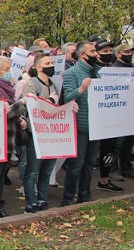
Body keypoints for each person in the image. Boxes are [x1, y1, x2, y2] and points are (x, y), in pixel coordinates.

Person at [0, 56, 28, 219]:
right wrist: (21, 103)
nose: (10, 73)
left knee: (2, 173)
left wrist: (21, 119)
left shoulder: (7, 86)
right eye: (6, 70)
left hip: (9, 136)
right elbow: (6, 112)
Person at [61, 41, 101, 206]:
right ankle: (68, 198)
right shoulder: (72, 73)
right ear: (83, 54)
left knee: (90, 163)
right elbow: (67, 98)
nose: (96, 54)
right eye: (92, 51)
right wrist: (81, 89)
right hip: (80, 126)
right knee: (77, 164)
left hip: (97, 126)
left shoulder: (98, 72)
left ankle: (85, 195)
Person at [21, 53, 61, 212]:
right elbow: (32, 109)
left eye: (52, 62)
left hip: (51, 135)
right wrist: (50, 101)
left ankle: (42, 200)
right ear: (38, 67)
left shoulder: (53, 85)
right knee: (32, 173)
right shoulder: (31, 85)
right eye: (47, 63)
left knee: (46, 172)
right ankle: (31, 204)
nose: (51, 66)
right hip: (35, 136)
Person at [93, 39, 123, 193]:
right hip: (95, 117)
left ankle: (104, 179)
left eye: (110, 51)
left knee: (110, 148)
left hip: (111, 116)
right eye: (104, 52)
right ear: (96, 53)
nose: (108, 54)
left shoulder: (112, 68)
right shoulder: (93, 70)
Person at [110, 44, 134, 181]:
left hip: (130, 109)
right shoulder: (114, 70)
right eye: (126, 51)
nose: (129, 53)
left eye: (130, 51)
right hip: (119, 110)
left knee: (128, 141)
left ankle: (126, 167)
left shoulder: (131, 68)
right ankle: (113, 169)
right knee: (118, 142)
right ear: (118, 54)